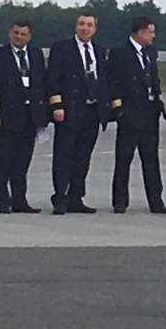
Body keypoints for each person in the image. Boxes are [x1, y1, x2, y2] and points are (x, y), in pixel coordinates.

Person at [46, 11, 109, 215]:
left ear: (95, 29)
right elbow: (52, 79)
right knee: (64, 156)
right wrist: (57, 105)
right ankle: (60, 197)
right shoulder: (62, 48)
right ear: (76, 26)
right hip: (69, 111)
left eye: (89, 25)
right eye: (82, 24)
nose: (85, 28)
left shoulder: (99, 51)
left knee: (83, 157)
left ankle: (76, 196)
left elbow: (103, 81)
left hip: (91, 111)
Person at [108, 16, 166, 214]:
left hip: (150, 113)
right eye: (151, 31)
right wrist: (120, 110)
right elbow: (114, 82)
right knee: (124, 158)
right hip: (130, 113)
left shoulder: (150, 52)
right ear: (141, 32)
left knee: (151, 159)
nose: (153, 35)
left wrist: (159, 101)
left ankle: (155, 201)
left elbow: (154, 77)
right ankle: (120, 201)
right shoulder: (120, 53)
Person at [0, 20, 48, 214]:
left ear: (29, 37)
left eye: (23, 34)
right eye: (16, 33)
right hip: (7, 116)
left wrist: (43, 115)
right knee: (3, 161)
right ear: (10, 33)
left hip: (29, 116)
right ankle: (2, 201)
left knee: (22, 161)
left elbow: (42, 85)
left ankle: (19, 200)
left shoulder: (36, 55)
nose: (19, 37)